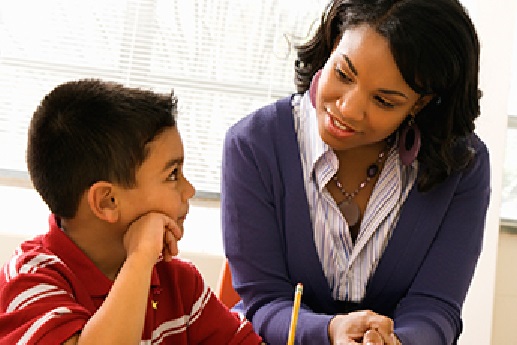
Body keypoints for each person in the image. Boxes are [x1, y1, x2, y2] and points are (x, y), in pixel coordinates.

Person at [221, 0, 490, 344]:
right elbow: (263, 302)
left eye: (384, 100)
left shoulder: (463, 164)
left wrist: (394, 342)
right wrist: (330, 332)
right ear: (334, 43)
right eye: (343, 74)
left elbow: (436, 306)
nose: (348, 109)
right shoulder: (254, 145)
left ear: (421, 102)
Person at [0, 79, 263, 344]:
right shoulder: (29, 282)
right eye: (173, 175)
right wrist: (139, 258)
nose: (189, 189)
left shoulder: (178, 283)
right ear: (107, 202)